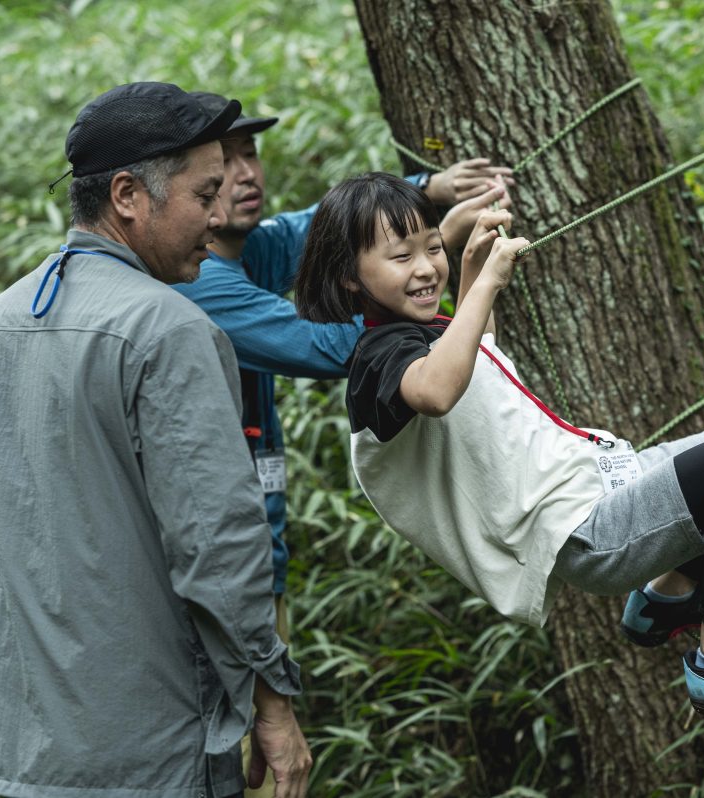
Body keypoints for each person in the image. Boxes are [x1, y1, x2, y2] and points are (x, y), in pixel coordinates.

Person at [292, 172, 704, 715]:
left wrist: (469, 268)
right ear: (348, 277)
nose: (423, 267)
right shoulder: (377, 357)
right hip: (581, 527)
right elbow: (438, 390)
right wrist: (486, 283)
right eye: (400, 257)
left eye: (432, 247)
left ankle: (665, 599)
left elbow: (476, 356)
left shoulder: (425, 335)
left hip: (605, 481)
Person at [0, 82, 311, 798]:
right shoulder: (171, 329)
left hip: (14, 752)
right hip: (152, 754)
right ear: (129, 195)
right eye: (203, 196)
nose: (218, 216)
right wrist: (273, 706)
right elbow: (218, 549)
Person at [172, 92, 513, 796]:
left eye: (249, 155)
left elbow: (316, 233)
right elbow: (337, 344)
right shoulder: (203, 282)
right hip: (211, 570)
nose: (242, 175)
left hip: (258, 559)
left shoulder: (250, 248)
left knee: (266, 769)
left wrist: (422, 198)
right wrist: (437, 269)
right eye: (218, 167)